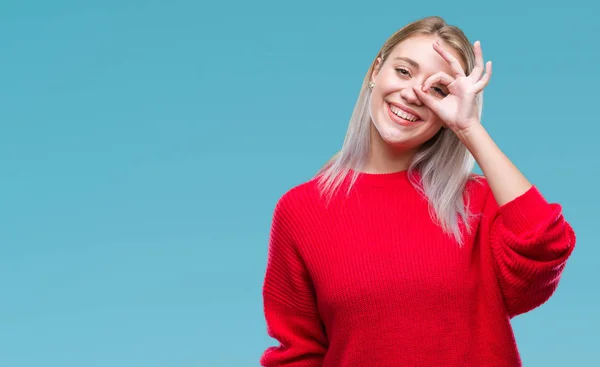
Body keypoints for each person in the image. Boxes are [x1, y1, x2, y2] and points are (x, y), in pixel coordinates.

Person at [259, 15, 576, 367]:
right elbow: (298, 355)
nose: (412, 94)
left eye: (437, 89)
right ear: (376, 70)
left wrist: (469, 128)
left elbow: (547, 244)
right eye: (404, 72)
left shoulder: (476, 202)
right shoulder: (302, 210)